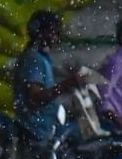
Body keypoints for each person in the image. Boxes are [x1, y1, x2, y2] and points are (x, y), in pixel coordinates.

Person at [13, 10, 82, 143]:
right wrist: (66, 84)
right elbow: (35, 98)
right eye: (51, 33)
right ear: (39, 33)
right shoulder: (33, 59)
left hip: (44, 126)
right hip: (36, 130)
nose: (55, 38)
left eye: (56, 34)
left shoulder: (41, 57)